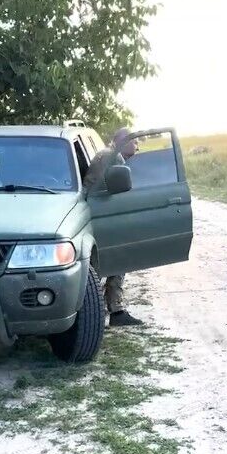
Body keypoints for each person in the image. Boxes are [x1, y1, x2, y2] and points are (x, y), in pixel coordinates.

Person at [84, 127, 144, 327]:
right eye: (134, 141)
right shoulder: (113, 158)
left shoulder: (108, 155)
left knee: (105, 263)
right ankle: (113, 311)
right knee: (117, 260)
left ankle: (106, 308)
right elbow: (115, 191)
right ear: (122, 141)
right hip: (102, 216)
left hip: (96, 214)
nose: (137, 145)